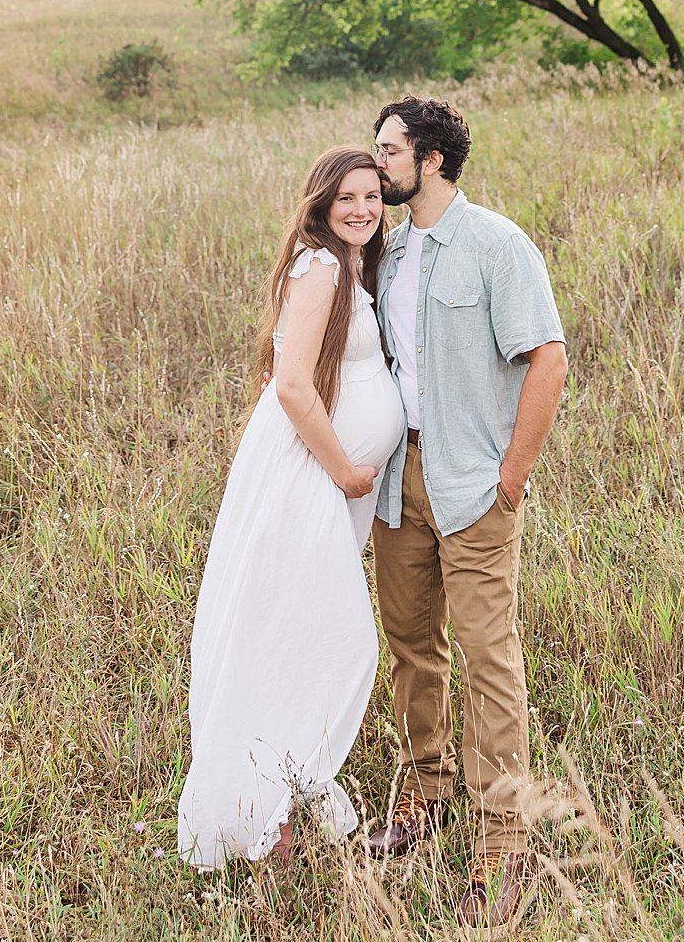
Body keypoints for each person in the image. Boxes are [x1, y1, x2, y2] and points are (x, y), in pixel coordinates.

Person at [367, 96, 568, 930]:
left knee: (489, 655)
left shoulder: (496, 244)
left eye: (388, 151)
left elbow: (548, 361)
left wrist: (510, 477)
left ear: (432, 160)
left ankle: (502, 838)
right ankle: (425, 792)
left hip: (472, 483)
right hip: (395, 479)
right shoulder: (387, 250)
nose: (375, 163)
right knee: (412, 641)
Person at [177, 147, 406, 871]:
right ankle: (262, 816)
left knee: (292, 631)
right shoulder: (323, 268)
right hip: (311, 476)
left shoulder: (352, 264)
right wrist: (344, 471)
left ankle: (276, 811)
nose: (363, 209)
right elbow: (292, 388)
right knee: (318, 639)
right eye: (347, 199)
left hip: (326, 483)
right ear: (320, 203)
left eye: (372, 196)